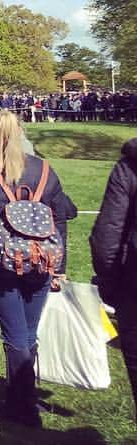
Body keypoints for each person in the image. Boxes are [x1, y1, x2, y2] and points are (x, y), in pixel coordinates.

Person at [0, 110, 77, 427]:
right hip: (40, 261)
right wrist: (59, 265)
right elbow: (60, 218)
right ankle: (25, 396)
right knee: (28, 333)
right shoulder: (45, 171)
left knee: (16, 335)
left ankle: (21, 406)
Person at [90, 137, 137, 420]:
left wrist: (110, 283)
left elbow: (106, 237)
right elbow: (107, 235)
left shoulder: (129, 167)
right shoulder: (129, 167)